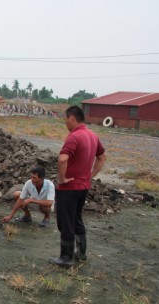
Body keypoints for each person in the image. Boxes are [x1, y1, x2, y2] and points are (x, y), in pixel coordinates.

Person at [50, 106, 106, 268]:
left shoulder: (74, 136)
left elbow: (62, 160)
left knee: (66, 220)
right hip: (83, 186)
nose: (65, 123)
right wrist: (90, 175)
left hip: (69, 187)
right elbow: (101, 157)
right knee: (76, 218)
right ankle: (81, 253)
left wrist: (62, 179)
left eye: (66, 119)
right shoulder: (93, 136)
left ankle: (66, 258)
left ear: (72, 118)